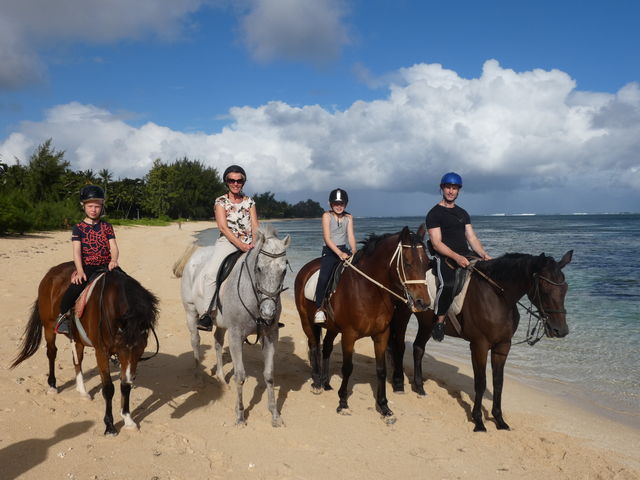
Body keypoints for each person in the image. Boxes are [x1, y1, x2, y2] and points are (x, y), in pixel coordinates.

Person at [425, 172, 491, 341]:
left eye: (454, 188)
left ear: (459, 191)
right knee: (447, 284)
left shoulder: (463, 213)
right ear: (442, 188)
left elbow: (472, 237)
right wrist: (456, 257)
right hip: (444, 257)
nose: (451, 191)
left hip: (466, 254)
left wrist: (482, 253)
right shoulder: (434, 214)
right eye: (448, 187)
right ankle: (439, 321)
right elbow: (436, 243)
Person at [197, 165, 259, 331]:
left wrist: (254, 244)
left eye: (239, 180)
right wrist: (241, 245)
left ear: (243, 182)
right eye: (232, 180)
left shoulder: (250, 201)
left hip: (249, 243)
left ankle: (266, 313)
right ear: (226, 182)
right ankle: (206, 314)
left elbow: (254, 225)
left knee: (266, 270)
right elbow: (223, 227)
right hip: (227, 243)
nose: (235, 183)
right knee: (211, 274)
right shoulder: (221, 201)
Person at [55, 185, 120, 334]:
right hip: (88, 266)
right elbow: (77, 251)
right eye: (90, 206)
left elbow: (114, 247)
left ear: (102, 206)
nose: (93, 209)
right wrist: (79, 270)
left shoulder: (107, 227)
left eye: (97, 206)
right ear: (83, 206)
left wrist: (114, 260)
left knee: (126, 284)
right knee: (74, 289)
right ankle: (63, 317)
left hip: (107, 265)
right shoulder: (78, 228)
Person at [313, 188, 357, 324]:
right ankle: (319, 308)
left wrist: (354, 251)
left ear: (346, 204)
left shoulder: (349, 217)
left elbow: (350, 236)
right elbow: (327, 238)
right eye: (336, 203)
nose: (339, 206)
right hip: (330, 251)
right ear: (331, 204)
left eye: (342, 203)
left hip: (344, 250)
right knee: (324, 278)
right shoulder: (326, 216)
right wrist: (339, 253)